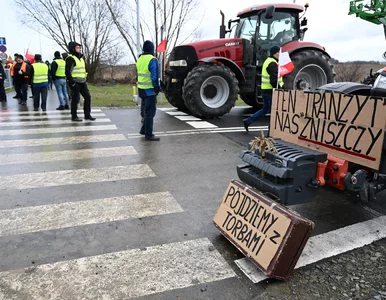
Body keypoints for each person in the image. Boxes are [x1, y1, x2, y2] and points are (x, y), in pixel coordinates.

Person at [243, 45, 284, 133]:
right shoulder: (272, 63)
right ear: (274, 53)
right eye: (278, 52)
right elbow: (273, 80)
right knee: (274, 111)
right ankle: (270, 133)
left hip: (265, 90)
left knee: (265, 109)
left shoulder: (268, 61)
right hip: (270, 91)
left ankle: (248, 121)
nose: (280, 54)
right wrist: (279, 89)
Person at [137, 40, 161, 141]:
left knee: (147, 111)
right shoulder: (152, 59)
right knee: (150, 112)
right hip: (150, 90)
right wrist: (157, 87)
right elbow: (154, 77)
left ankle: (143, 130)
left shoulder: (140, 59)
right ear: (152, 49)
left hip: (141, 89)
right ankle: (149, 134)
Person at [65, 41, 95, 121]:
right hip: (75, 82)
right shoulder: (70, 58)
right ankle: (74, 116)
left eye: (79, 48)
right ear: (73, 49)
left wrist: (86, 78)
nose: (79, 49)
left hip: (82, 81)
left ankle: (87, 115)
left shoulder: (81, 58)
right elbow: (67, 71)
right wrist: (71, 82)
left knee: (87, 97)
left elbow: (84, 70)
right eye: (77, 48)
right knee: (75, 99)